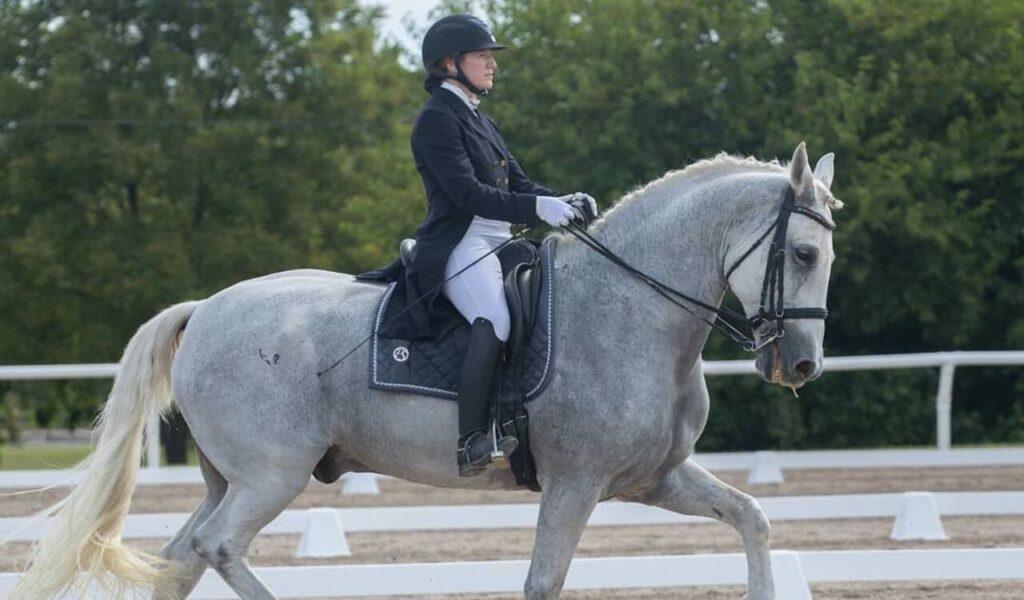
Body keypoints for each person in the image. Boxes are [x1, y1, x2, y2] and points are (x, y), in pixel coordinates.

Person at [397, 14, 595, 477]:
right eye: (482, 56)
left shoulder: (479, 119)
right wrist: (538, 211)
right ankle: (471, 439)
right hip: (460, 243)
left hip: (498, 240)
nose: (491, 65)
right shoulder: (435, 121)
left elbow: (519, 182)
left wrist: (559, 199)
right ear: (450, 63)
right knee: (496, 318)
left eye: (490, 57)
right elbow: (467, 195)